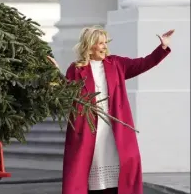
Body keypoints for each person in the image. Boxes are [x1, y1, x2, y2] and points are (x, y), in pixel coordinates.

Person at [49, 26, 174, 194]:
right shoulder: (76, 69)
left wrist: (162, 48)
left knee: (121, 172)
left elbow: (143, 63)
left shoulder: (116, 63)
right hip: (89, 130)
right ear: (90, 45)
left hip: (115, 129)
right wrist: (56, 73)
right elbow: (68, 92)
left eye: (105, 43)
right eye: (100, 43)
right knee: (89, 177)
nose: (104, 47)